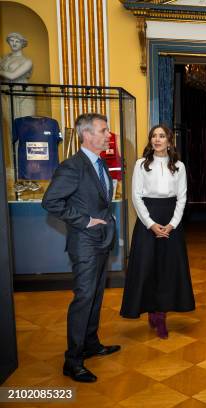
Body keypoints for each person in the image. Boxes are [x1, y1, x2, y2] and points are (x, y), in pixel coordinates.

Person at [42, 113, 121, 383]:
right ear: (87, 135)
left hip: (101, 240)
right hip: (84, 243)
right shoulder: (72, 166)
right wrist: (85, 220)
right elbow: (51, 201)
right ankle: (72, 361)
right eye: (103, 130)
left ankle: (90, 343)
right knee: (84, 298)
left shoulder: (100, 163)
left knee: (96, 295)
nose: (108, 134)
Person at [120, 124, 195, 339]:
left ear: (170, 141)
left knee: (168, 268)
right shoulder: (141, 165)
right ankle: (151, 310)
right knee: (147, 267)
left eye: (162, 136)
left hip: (172, 220)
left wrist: (172, 224)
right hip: (148, 220)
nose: (157, 139)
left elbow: (182, 197)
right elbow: (136, 196)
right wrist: (151, 224)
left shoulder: (179, 166)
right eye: (154, 136)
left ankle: (161, 315)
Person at [0, 32, 35, 118]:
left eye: (17, 41)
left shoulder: (27, 61)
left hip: (22, 92)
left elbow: (12, 76)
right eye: (12, 40)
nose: (14, 43)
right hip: (6, 92)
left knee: (24, 121)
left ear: (22, 44)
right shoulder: (5, 58)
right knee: (9, 122)